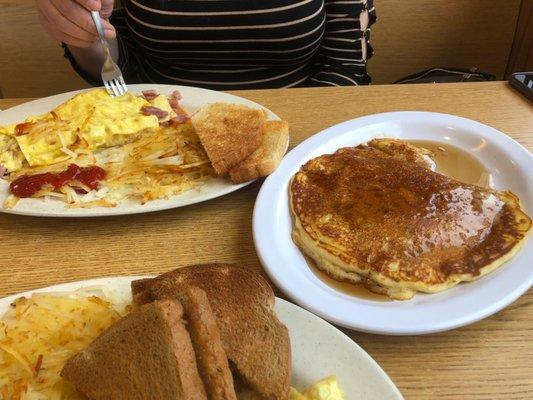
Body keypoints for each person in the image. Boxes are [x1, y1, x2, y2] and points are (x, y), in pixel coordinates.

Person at [36, 0, 376, 90]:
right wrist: (81, 31)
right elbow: (118, 73)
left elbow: (344, 69)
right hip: (158, 139)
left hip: (295, 145)